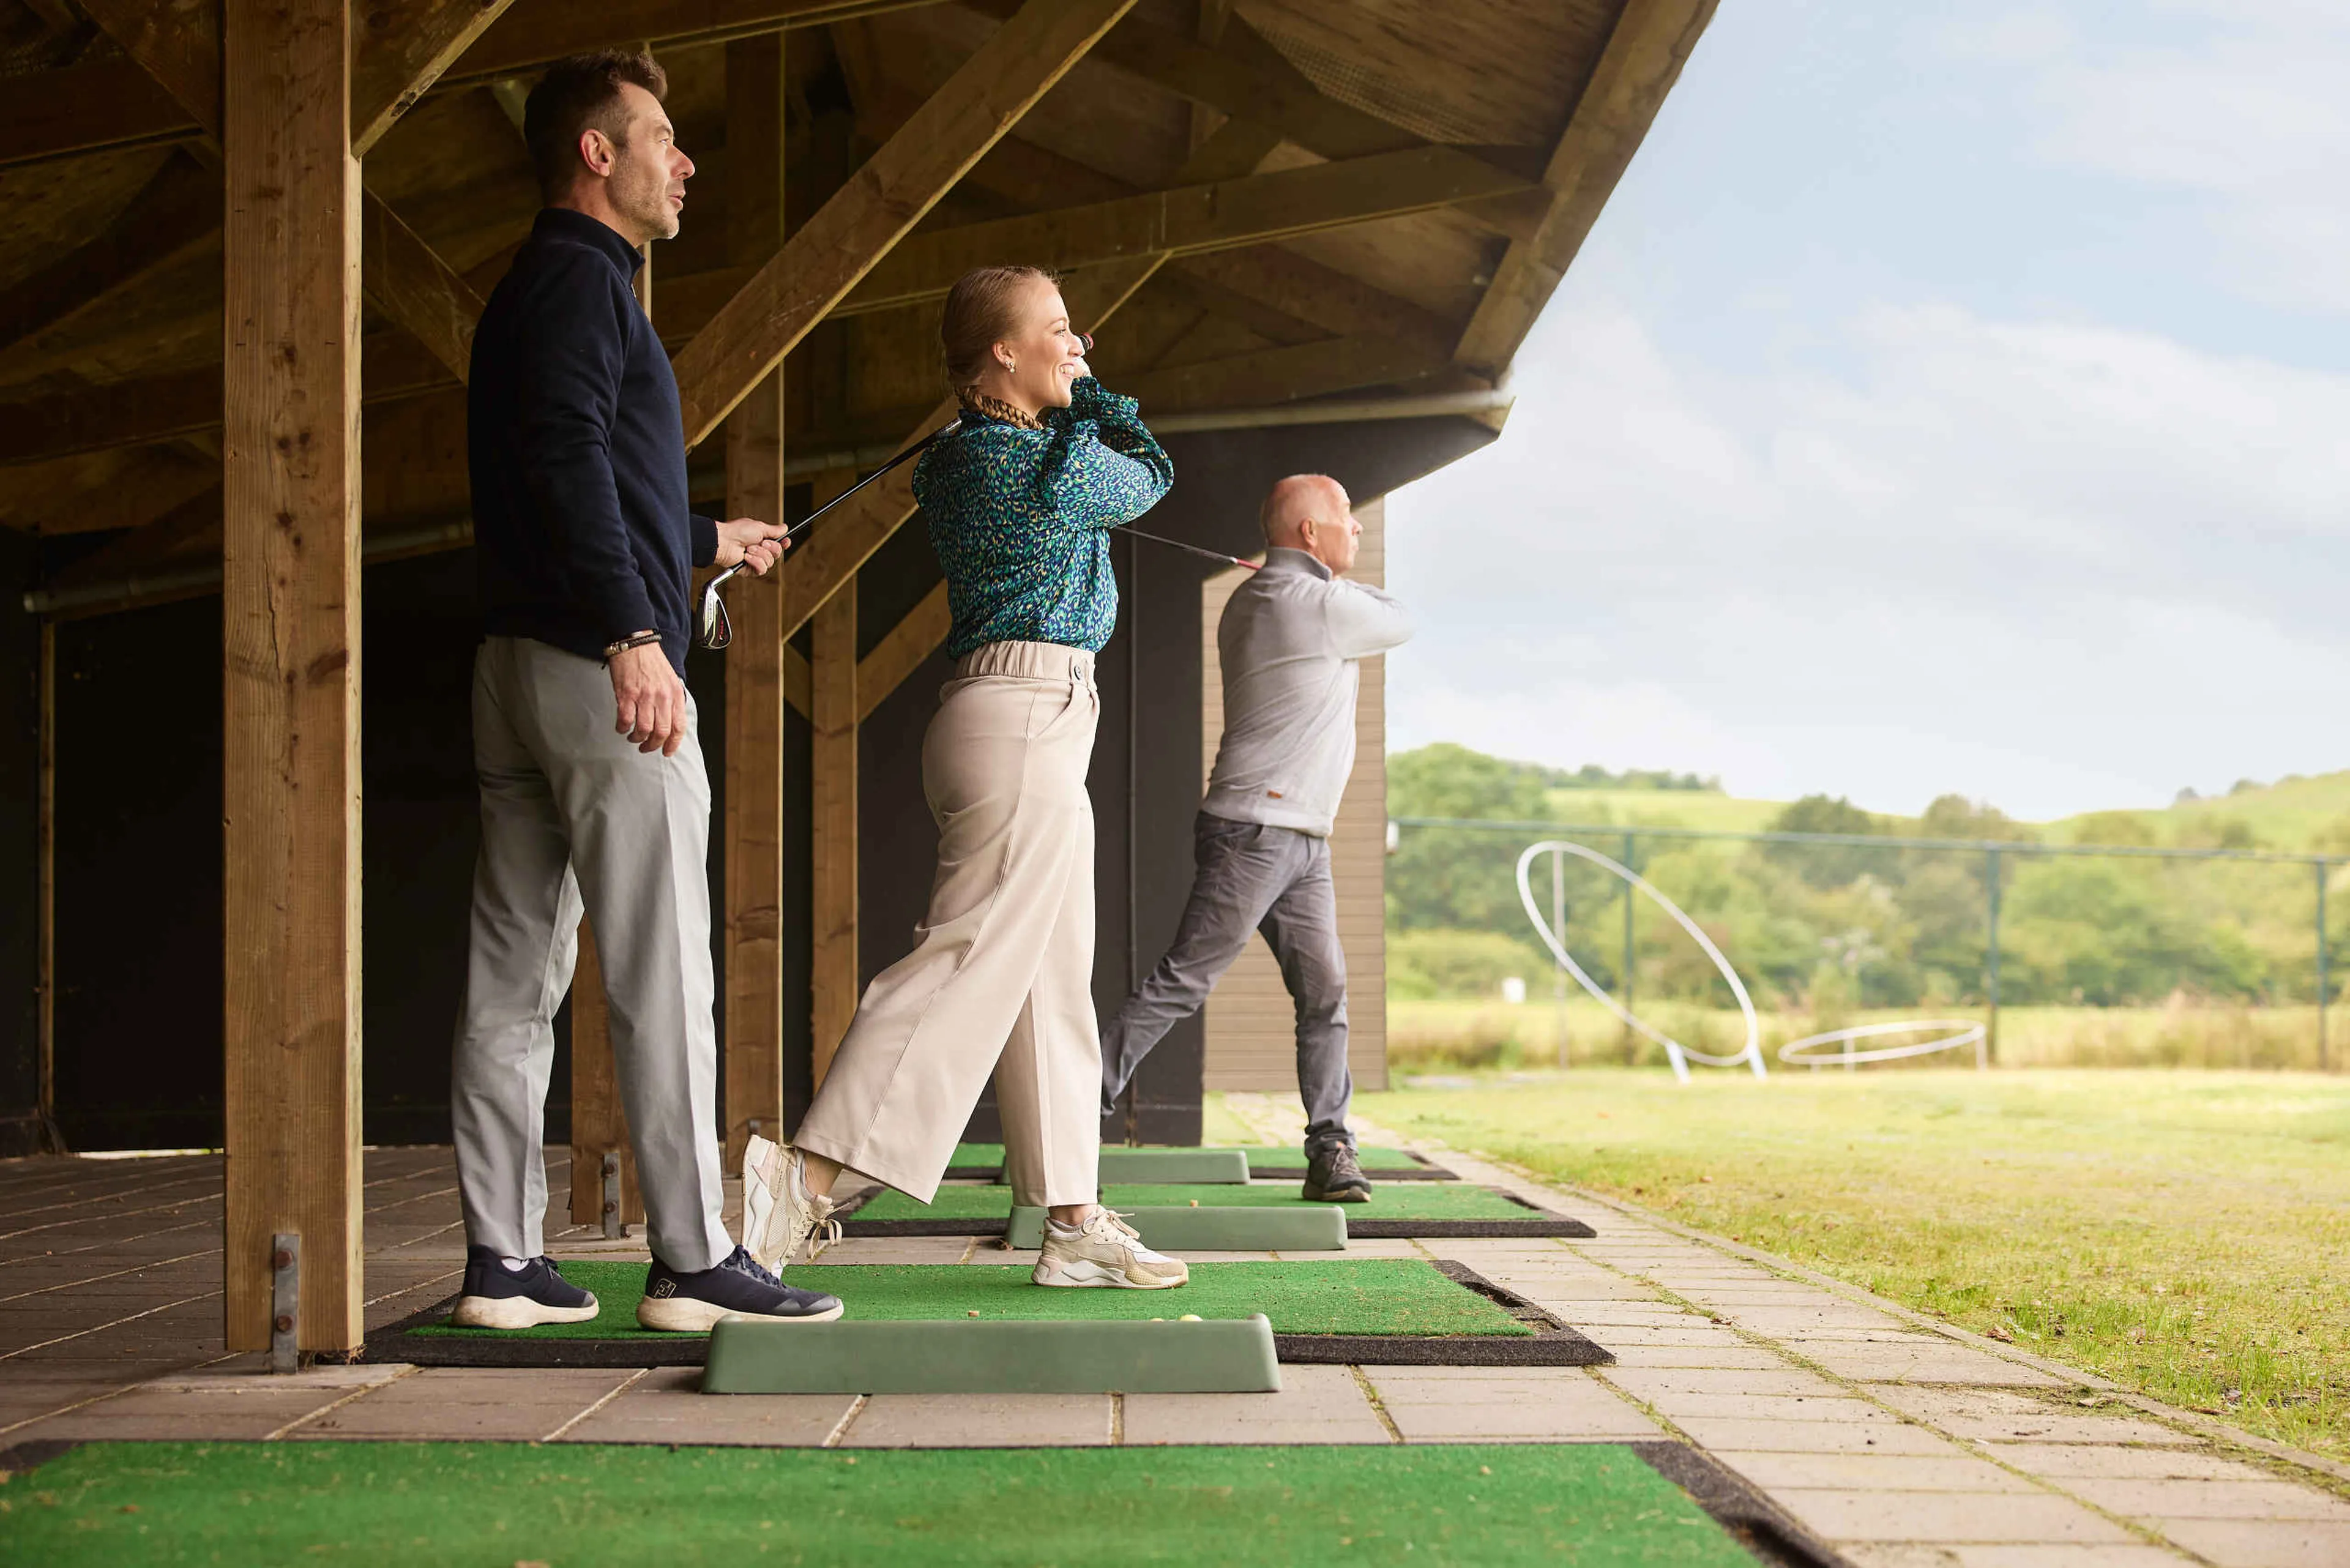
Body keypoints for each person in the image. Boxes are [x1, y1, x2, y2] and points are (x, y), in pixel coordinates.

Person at [447, 51, 842, 1333]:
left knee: (513, 981)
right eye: (663, 138)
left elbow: (569, 482)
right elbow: (566, 456)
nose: (686, 162)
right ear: (596, 155)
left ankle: (503, 1265)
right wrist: (634, 626)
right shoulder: (582, 282)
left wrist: (697, 546)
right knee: (664, 971)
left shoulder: (539, 291)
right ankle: (691, 1259)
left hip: (518, 671)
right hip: (595, 672)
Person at [739, 265, 1190, 1290]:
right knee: (969, 953)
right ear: (1003, 351)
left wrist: (1069, 394)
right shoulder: (1028, 463)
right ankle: (802, 1181)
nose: (1079, 347)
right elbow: (1146, 472)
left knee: (1046, 976)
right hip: (1025, 713)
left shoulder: (987, 451)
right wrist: (1105, 399)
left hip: (1026, 716)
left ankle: (1072, 1219)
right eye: (1062, 332)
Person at [1100, 475, 1412, 1202]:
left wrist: (1291, 575)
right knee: (1185, 980)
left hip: (1303, 836)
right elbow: (1399, 620)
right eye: (1345, 519)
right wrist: (1309, 582)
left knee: (1326, 990)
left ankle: (1331, 1148)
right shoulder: (1312, 602)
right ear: (1308, 533)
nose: (1357, 531)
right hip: (1257, 831)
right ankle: (1071, 1111)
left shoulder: (1264, 596)